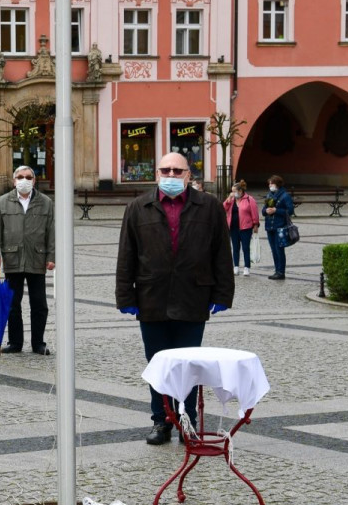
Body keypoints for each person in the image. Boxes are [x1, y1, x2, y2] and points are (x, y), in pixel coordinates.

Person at [116, 152, 234, 444]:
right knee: (158, 364)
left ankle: (187, 420)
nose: (171, 175)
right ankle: (161, 420)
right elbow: (126, 255)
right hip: (150, 296)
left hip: (193, 296)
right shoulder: (137, 207)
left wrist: (222, 293)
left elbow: (222, 252)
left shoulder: (209, 207)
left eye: (177, 171)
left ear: (188, 175)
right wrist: (125, 295)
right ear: (156, 174)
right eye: (165, 170)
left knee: (188, 366)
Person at [0, 165, 55, 354]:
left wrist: (51, 256)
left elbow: (51, 231)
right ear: (14, 180)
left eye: (28, 177)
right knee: (12, 303)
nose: (23, 180)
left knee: (39, 304)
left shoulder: (45, 202)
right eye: (20, 177)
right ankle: (15, 342)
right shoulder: (3, 202)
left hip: (37, 258)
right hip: (12, 258)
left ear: (34, 181)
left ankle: (38, 343)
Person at [223, 180, 260, 276]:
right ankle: (236, 267)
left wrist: (255, 224)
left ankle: (247, 267)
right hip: (233, 227)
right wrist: (228, 199)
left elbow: (254, 213)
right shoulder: (231, 200)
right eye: (232, 191)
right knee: (235, 248)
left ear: (240, 191)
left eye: (234, 191)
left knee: (245, 248)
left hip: (245, 228)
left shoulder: (249, 199)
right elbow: (223, 208)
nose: (233, 193)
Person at [263, 174, 296, 281]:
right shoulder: (269, 195)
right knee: (273, 250)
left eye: (271, 184)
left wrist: (276, 210)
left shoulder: (285, 196)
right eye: (269, 184)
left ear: (277, 184)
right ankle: (276, 270)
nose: (270, 186)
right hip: (270, 227)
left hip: (280, 227)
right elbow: (263, 211)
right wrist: (266, 211)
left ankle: (281, 272)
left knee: (279, 250)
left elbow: (290, 211)